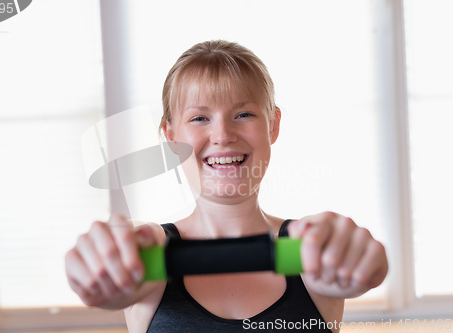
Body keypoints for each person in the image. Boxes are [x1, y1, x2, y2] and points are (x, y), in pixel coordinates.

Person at [65, 40, 388, 332]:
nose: (222, 135)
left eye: (243, 114)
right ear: (170, 136)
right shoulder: (150, 252)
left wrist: (365, 261)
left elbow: (362, 269)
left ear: (273, 125)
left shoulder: (310, 251)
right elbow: (114, 280)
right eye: (199, 118)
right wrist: (99, 270)